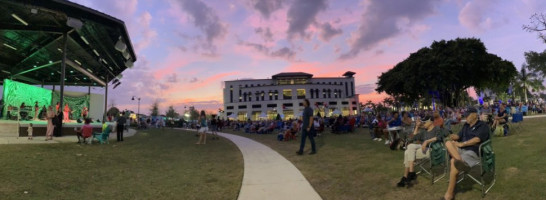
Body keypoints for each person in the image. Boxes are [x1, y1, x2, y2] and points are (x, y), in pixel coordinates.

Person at [442, 107, 490, 200]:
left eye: (467, 115)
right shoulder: (466, 125)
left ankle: (449, 195)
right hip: (461, 151)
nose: (466, 117)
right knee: (448, 143)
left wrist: (462, 143)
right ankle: (460, 162)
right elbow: (458, 136)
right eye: (465, 115)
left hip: (473, 152)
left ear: (475, 115)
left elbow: (477, 139)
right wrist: (452, 136)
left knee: (453, 163)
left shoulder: (482, 125)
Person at [396, 116, 445, 187]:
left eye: (425, 121)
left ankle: (405, 177)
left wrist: (426, 141)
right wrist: (417, 126)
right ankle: (411, 172)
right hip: (422, 148)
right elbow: (413, 137)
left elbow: (439, 137)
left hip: (432, 149)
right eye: (423, 121)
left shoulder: (436, 128)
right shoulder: (424, 131)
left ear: (431, 122)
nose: (423, 123)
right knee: (410, 146)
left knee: (407, 153)